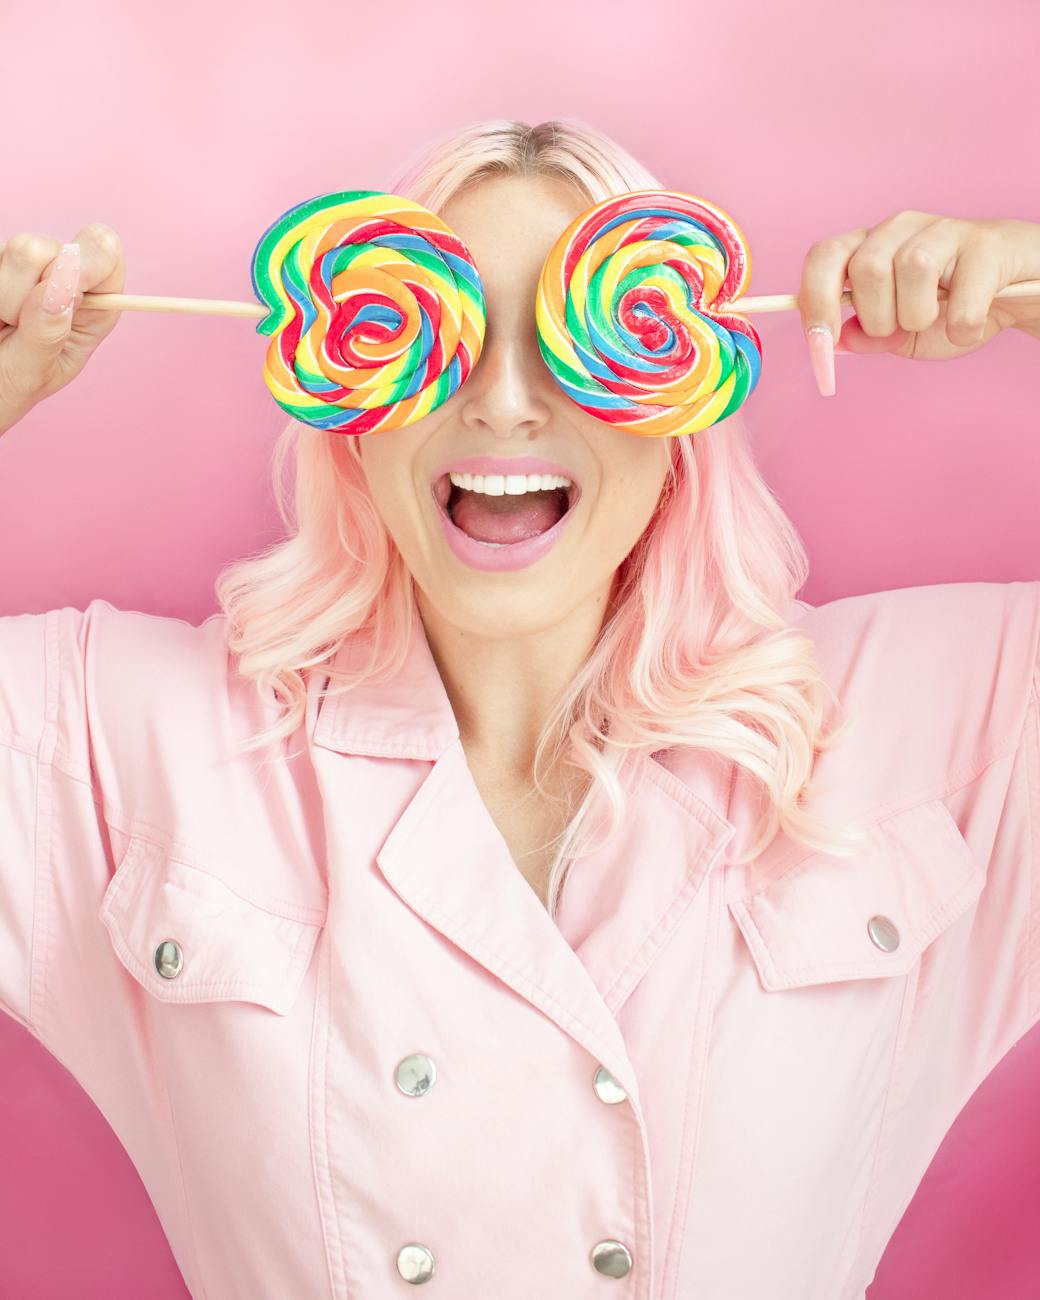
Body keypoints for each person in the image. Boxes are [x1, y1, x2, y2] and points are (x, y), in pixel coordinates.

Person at [0, 117, 1038, 1299]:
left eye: (578, 338)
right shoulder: (127, 744)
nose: (500, 403)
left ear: (681, 392)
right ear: (349, 392)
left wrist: (1027, 281)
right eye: (433, 339)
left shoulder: (919, 725)